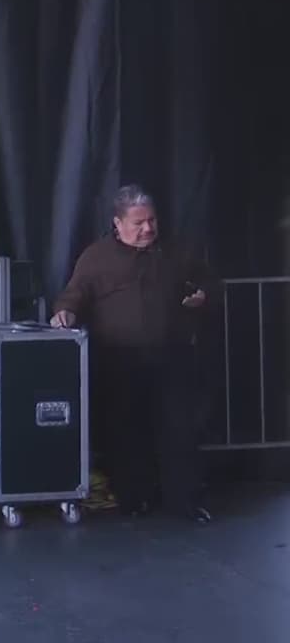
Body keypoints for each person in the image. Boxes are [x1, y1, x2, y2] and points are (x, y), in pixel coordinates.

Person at [51, 184, 213, 523]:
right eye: (139, 223)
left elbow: (208, 281)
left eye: (152, 221)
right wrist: (64, 312)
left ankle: (184, 503)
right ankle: (135, 499)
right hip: (120, 360)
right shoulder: (96, 257)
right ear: (117, 224)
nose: (148, 229)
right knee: (127, 433)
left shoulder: (175, 251)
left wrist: (203, 295)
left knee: (179, 432)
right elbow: (73, 294)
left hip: (172, 356)